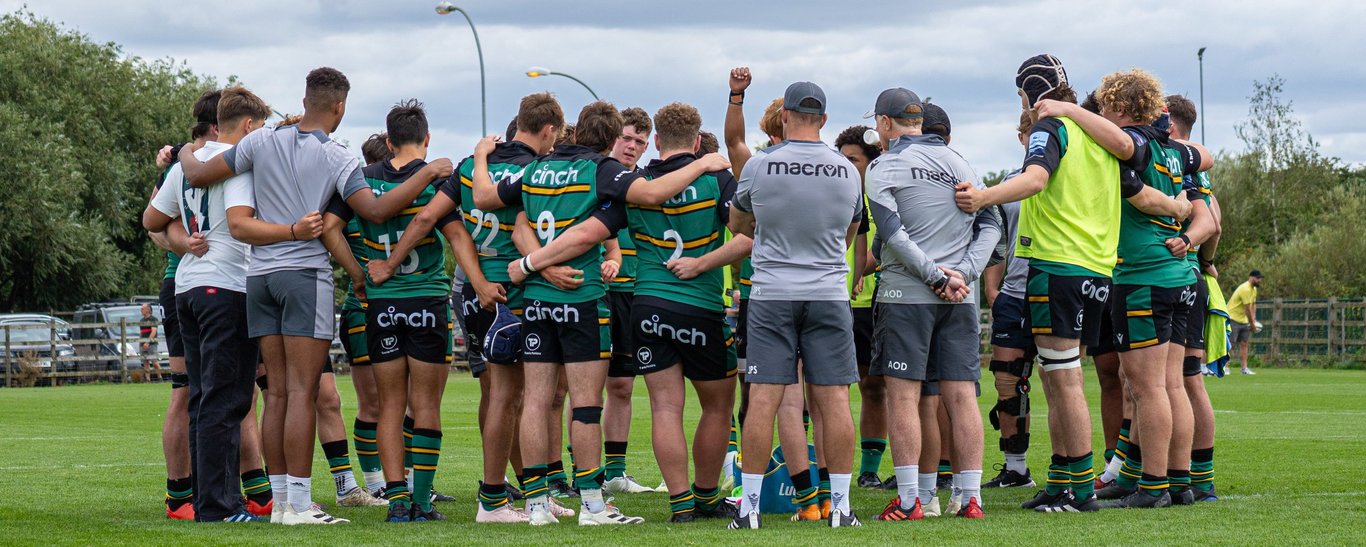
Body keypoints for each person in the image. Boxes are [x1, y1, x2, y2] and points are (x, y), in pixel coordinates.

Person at [177, 67, 452, 525]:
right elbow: (378, 209)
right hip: (303, 274)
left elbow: (201, 174)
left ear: (305, 99)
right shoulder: (338, 155)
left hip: (258, 277)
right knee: (304, 392)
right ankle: (300, 506)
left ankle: (281, 500)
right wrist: (430, 175)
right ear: (340, 106)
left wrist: (187, 149)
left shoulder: (262, 140)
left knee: (278, 394)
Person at [469, 100, 725, 526]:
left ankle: (536, 506)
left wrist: (481, 157)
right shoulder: (601, 170)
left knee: (534, 401)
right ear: (610, 139)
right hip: (582, 299)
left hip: (535, 299)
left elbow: (491, 204)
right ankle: (592, 505)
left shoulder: (536, 169)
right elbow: (653, 193)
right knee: (586, 406)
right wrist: (703, 164)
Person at [954, 54, 1191, 514]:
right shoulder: (1099, 134)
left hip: (1058, 264)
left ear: (1030, 91)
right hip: (1097, 269)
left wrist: (983, 196)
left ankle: (1079, 490)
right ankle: (1063, 478)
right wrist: (1180, 210)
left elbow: (1036, 179)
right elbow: (1138, 185)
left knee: (1063, 379)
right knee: (1057, 373)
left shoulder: (1052, 127)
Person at [370, 93, 574, 523]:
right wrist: (545, 269)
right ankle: (494, 499)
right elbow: (523, 228)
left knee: (504, 395)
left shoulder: (469, 164)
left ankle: (527, 492)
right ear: (549, 131)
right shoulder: (533, 170)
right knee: (511, 397)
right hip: (513, 291)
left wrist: (391, 264)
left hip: (474, 292)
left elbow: (428, 221)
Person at [1034, 69, 1213, 509]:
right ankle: (1181, 482)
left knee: (1148, 388)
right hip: (1179, 275)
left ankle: (1152, 487)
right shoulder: (1174, 151)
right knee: (1172, 385)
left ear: (1118, 108)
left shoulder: (1136, 145)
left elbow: (1127, 155)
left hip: (1143, 275)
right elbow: (1204, 156)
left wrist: (1067, 109)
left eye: (1105, 108)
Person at [728, 81, 864, 529]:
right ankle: (840, 508)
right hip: (828, 293)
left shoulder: (760, 166)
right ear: (823, 120)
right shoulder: (848, 170)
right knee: (835, 401)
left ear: (784, 116)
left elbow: (740, 224)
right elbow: (850, 232)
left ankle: (748, 509)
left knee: (763, 401)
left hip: (771, 293)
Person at [322, 100, 463, 523]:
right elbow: (456, 236)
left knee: (388, 405)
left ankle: (396, 501)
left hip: (380, 305)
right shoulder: (438, 182)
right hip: (426, 300)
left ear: (387, 140)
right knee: (425, 407)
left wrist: (358, 274)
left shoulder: (363, 181)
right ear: (427, 138)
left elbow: (329, 228)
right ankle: (421, 501)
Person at [862, 88, 998, 522]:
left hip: (908, 295)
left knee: (903, 397)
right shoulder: (960, 162)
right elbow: (991, 222)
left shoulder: (885, 165)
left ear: (884, 123)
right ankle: (970, 499)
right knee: (962, 398)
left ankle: (909, 501)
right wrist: (965, 274)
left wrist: (937, 276)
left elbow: (893, 234)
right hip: (960, 297)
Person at [143, 85, 272, 523]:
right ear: (249, 126)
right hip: (225, 286)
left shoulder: (188, 163)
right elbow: (239, 226)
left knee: (202, 398)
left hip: (187, 289)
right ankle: (220, 506)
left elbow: (151, 220)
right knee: (226, 400)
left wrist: (183, 241)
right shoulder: (235, 166)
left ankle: (203, 500)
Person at [723, 67, 828, 522]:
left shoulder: (759, 170)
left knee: (770, 395)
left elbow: (732, 146)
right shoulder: (826, 168)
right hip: (817, 292)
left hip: (766, 293)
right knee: (815, 396)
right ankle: (822, 493)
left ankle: (782, 495)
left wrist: (735, 97)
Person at [1166, 94, 1222, 501]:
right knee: (1189, 380)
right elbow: (1214, 226)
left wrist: (1187, 245)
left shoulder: (1177, 161)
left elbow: (1212, 220)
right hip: (1193, 277)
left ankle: (1173, 476)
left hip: (1169, 274)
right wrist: (1206, 259)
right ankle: (1200, 479)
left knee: (1168, 382)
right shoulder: (1197, 165)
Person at [601, 107, 657, 495]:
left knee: (622, 385)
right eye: (627, 138)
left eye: (640, 141)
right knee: (576, 387)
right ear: (613, 138)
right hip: (598, 292)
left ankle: (615, 473)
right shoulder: (596, 176)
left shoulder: (647, 183)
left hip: (635, 295)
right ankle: (574, 473)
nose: (633, 146)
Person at [982, 111, 1038, 490]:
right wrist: (992, 288)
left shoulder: (1070, 176)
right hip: (1013, 297)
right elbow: (996, 241)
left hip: (1056, 290)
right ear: (1021, 138)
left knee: (1057, 379)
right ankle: (1015, 467)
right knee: (1008, 383)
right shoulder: (1009, 184)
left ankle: (1072, 468)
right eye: (1031, 133)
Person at [832, 125, 887, 491]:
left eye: (853, 160)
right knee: (826, 388)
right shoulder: (833, 191)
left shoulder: (883, 196)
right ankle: (819, 469)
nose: (847, 166)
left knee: (874, 388)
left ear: (870, 162)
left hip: (871, 304)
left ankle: (868, 470)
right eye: (843, 159)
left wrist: (858, 271)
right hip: (832, 301)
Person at [1227, 271, 1263, 375]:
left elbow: (1253, 305)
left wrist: (1254, 319)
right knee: (1230, 344)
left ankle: (1244, 369)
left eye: (1260, 278)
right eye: (1257, 278)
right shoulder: (1245, 289)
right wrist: (1252, 324)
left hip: (1244, 320)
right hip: (1233, 318)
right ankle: (1225, 367)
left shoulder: (1254, 289)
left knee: (1244, 343)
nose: (1259, 280)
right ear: (1251, 278)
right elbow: (1247, 309)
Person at [138, 304, 162, 380]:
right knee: (145, 362)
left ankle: (160, 377)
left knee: (154, 362)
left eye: (142, 309)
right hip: (142, 344)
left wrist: (148, 342)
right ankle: (148, 379)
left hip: (152, 344)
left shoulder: (153, 319)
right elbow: (141, 332)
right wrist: (141, 342)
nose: (141, 310)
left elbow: (154, 331)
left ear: (148, 309)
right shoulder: (141, 320)